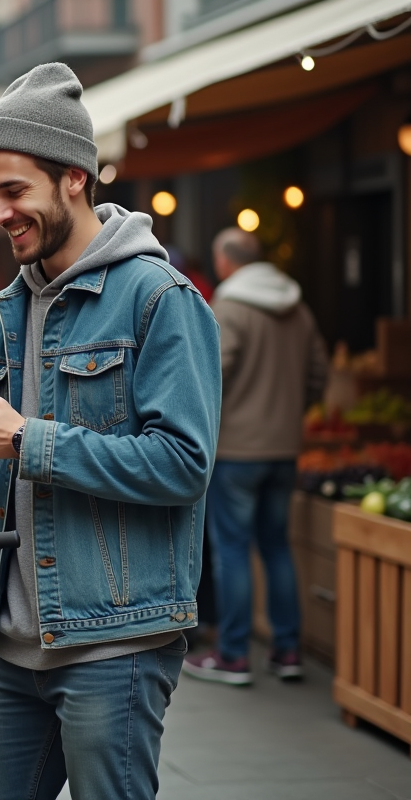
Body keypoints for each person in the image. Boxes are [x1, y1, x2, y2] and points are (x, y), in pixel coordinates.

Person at [0, 63, 220, 799]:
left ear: (74, 178)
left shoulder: (160, 299)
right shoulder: (1, 313)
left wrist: (30, 439)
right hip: (16, 645)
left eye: (13, 191)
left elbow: (183, 466)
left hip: (117, 642)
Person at [183, 229, 328, 686]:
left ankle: (233, 655)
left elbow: (211, 373)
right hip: (285, 449)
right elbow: (318, 374)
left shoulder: (230, 308)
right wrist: (291, 414)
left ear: (226, 262)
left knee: (231, 551)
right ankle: (288, 652)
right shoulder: (298, 308)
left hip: (237, 450)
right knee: (276, 546)